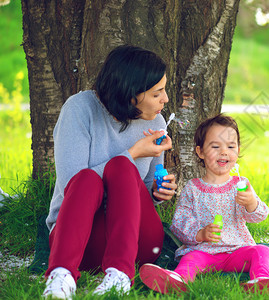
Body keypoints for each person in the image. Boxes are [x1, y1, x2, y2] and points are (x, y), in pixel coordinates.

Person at [42, 45, 178, 299]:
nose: (165, 99)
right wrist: (133, 153)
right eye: (157, 92)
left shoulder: (156, 122)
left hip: (137, 243)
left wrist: (158, 192)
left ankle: (119, 275)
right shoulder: (79, 110)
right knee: (93, 176)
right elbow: (73, 187)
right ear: (130, 94)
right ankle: (61, 275)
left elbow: (144, 192)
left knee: (121, 167)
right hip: (79, 240)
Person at [139, 114, 269, 294]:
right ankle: (178, 280)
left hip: (237, 250)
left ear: (238, 150)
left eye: (231, 146)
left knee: (261, 251)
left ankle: (261, 280)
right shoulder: (193, 188)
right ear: (200, 152)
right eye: (215, 146)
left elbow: (259, 216)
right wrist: (200, 234)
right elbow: (179, 223)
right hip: (204, 252)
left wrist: (251, 203)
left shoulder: (241, 184)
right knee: (190, 259)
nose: (224, 152)